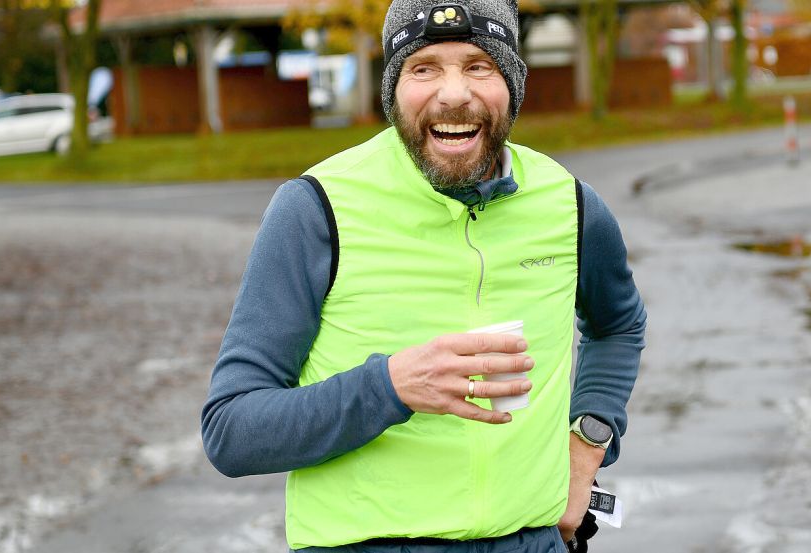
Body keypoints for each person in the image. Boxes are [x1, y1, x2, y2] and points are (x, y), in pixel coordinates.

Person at [201, 0, 646, 550]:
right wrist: (390, 386)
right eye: (425, 67)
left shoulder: (569, 204)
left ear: (514, 82)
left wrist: (587, 447)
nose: (454, 93)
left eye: (479, 65)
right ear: (392, 88)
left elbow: (617, 325)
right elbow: (231, 431)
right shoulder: (315, 210)